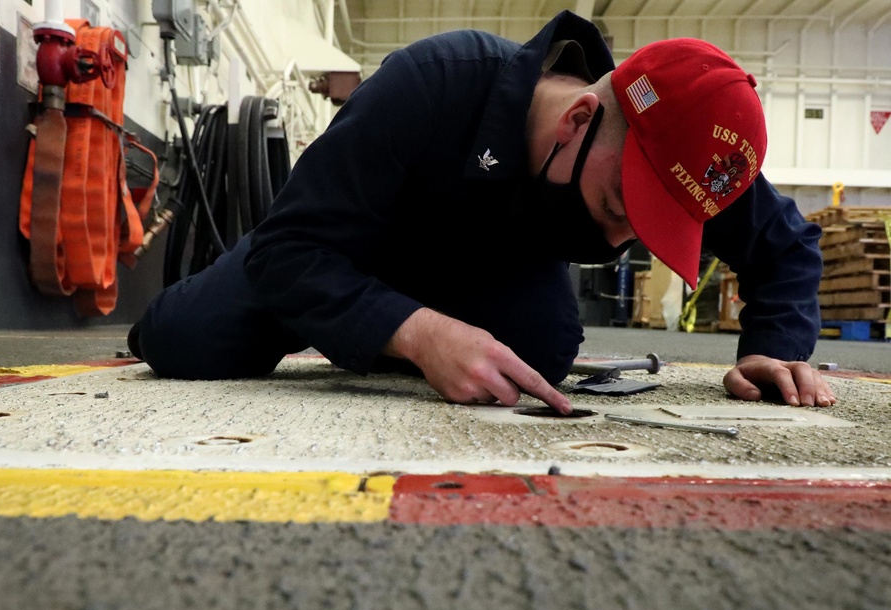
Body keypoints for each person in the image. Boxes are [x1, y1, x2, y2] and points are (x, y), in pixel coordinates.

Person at [129, 9, 836, 414]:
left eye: (644, 228)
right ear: (578, 117)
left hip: (482, 268)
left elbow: (787, 247)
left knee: (542, 351)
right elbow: (293, 249)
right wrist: (415, 332)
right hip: (343, 249)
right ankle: (364, 322)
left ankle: (391, 334)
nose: (622, 239)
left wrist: (773, 346)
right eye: (619, 206)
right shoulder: (432, 83)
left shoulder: (686, 157)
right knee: (182, 339)